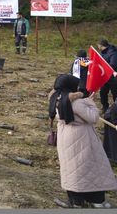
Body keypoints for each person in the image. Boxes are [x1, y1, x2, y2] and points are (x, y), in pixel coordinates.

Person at [49, 74, 117, 208]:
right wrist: (90, 102)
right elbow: (93, 117)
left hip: (66, 136)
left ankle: (76, 200)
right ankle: (96, 200)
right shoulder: (76, 102)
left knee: (72, 169)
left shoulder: (55, 99)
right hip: (82, 137)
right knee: (90, 168)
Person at [98, 39, 117, 112]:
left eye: (98, 45)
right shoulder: (102, 52)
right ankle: (105, 106)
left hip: (113, 77)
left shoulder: (113, 53)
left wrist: (104, 67)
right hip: (105, 77)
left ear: (101, 45)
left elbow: (113, 65)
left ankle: (115, 109)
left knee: (115, 93)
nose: (98, 46)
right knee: (103, 92)